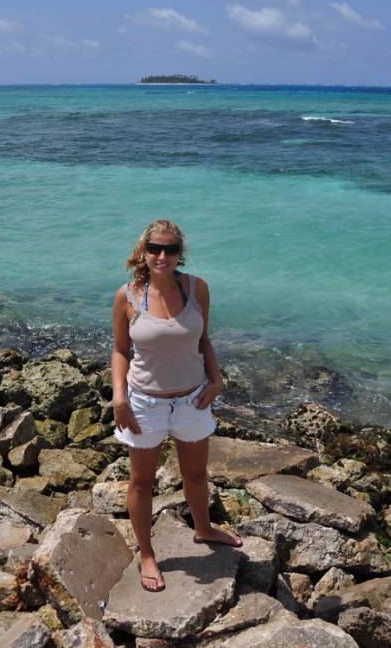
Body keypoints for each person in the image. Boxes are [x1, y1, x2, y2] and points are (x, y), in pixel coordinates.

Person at [111, 218, 242, 592]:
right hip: (144, 404)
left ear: (180, 253)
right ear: (144, 251)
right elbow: (120, 350)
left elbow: (204, 340)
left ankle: (203, 528)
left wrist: (216, 381)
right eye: (154, 248)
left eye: (170, 248)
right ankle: (148, 554)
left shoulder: (197, 289)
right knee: (141, 481)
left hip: (192, 399)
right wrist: (119, 398)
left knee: (197, 475)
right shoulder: (128, 296)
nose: (162, 255)